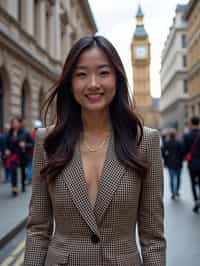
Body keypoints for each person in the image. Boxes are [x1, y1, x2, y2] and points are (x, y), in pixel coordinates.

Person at [24, 35, 166, 265]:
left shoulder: (145, 142)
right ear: (70, 83)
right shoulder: (47, 141)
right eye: (81, 74)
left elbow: (153, 238)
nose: (93, 84)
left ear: (118, 79)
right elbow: (38, 230)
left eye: (103, 72)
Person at [183, 116, 200, 213]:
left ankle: (196, 201)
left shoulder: (187, 136)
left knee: (193, 183)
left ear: (191, 123)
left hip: (192, 162)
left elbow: (184, 150)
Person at [162, 129, 183, 199]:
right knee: (178, 178)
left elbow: (163, 152)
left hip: (170, 163)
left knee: (171, 178)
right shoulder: (179, 143)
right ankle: (176, 190)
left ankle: (172, 192)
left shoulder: (166, 143)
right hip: (178, 163)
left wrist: (165, 160)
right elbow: (182, 152)